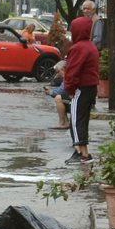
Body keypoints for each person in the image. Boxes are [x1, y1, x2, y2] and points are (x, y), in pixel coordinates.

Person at [63, 15, 100, 164]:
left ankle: (81, 154)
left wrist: (69, 89)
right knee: (83, 120)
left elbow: (72, 71)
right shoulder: (91, 46)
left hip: (80, 88)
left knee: (76, 121)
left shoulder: (78, 48)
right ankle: (83, 152)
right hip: (91, 88)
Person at [43, 59, 69, 128]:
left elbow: (62, 91)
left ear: (63, 70)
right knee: (60, 97)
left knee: (58, 98)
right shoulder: (67, 77)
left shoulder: (68, 77)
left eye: (58, 72)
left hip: (75, 99)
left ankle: (62, 122)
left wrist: (50, 92)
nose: (57, 74)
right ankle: (66, 122)